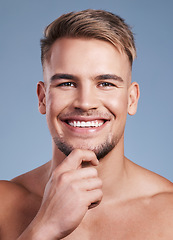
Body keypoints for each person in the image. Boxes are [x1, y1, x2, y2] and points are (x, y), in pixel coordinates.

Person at [0, 9, 172, 240]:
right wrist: (42, 228)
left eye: (106, 84)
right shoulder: (3, 205)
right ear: (42, 98)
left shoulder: (168, 212)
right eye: (67, 83)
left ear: (131, 99)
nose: (85, 103)